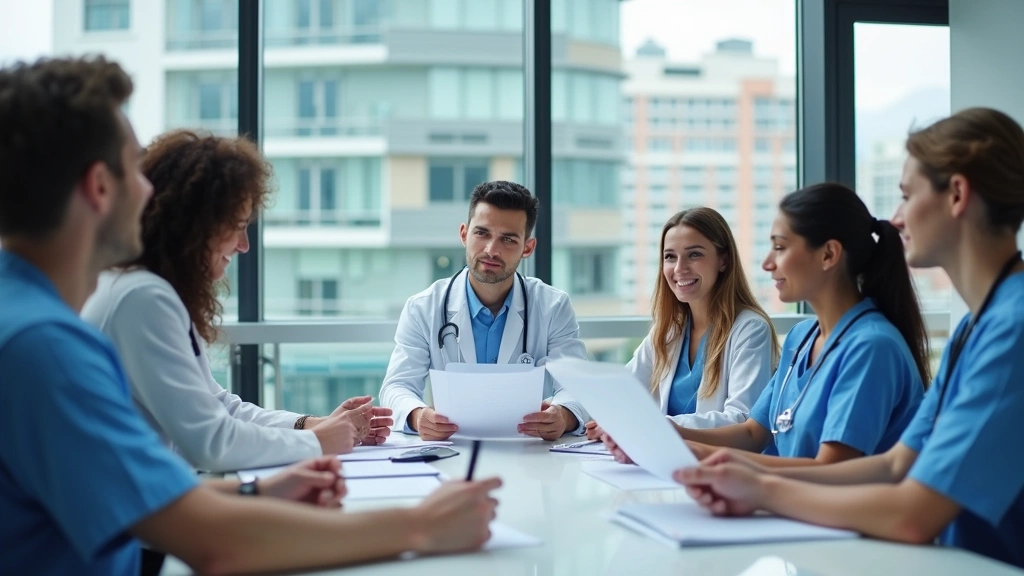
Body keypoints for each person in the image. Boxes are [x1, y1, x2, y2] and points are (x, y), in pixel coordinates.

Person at [0, 56, 500, 575]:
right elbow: (214, 544)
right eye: (133, 167)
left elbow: (140, 500)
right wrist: (421, 526)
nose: (149, 190)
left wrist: (255, 487)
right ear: (99, 186)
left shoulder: (30, 324)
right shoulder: (43, 349)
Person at [676, 107, 1024, 569]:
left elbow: (914, 514)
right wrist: (723, 464)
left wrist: (762, 489)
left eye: (907, 195)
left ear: (957, 194)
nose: (896, 218)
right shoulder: (975, 326)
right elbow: (896, 465)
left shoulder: (1011, 328)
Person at [81, 129, 392, 472]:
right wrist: (317, 443)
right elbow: (211, 442)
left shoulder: (149, 290)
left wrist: (309, 425)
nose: (244, 245)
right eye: (238, 225)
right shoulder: (142, 299)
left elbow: (219, 406)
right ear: (196, 225)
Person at [603, 183, 930, 467]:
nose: (766, 263)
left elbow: (830, 474)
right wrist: (664, 436)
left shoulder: (872, 347)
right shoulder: (802, 337)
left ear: (829, 254)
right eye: (670, 257)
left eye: (780, 247)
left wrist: (734, 472)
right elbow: (750, 433)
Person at [380, 180, 590, 441]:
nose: (492, 250)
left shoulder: (553, 307)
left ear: (527, 247)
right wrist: (417, 415)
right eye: (482, 233)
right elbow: (397, 386)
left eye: (508, 239)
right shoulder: (423, 308)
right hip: (453, 452)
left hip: (529, 457)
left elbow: (578, 388)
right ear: (464, 234)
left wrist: (563, 415)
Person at [585, 208, 778, 436]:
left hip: (722, 464)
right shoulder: (668, 331)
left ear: (723, 261)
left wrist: (651, 426)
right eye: (670, 257)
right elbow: (623, 392)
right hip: (667, 460)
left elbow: (742, 420)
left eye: (694, 254)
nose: (679, 268)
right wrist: (603, 418)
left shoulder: (750, 330)